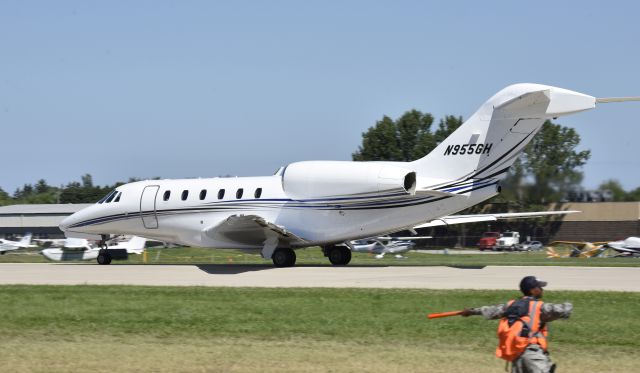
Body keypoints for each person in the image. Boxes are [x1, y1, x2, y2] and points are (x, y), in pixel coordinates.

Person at [461, 276, 572, 373]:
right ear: (533, 290)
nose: (542, 289)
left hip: (516, 354)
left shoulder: (510, 305)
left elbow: (491, 310)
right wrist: (568, 306)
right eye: (539, 287)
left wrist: (471, 311)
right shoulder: (539, 306)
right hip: (532, 353)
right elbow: (562, 310)